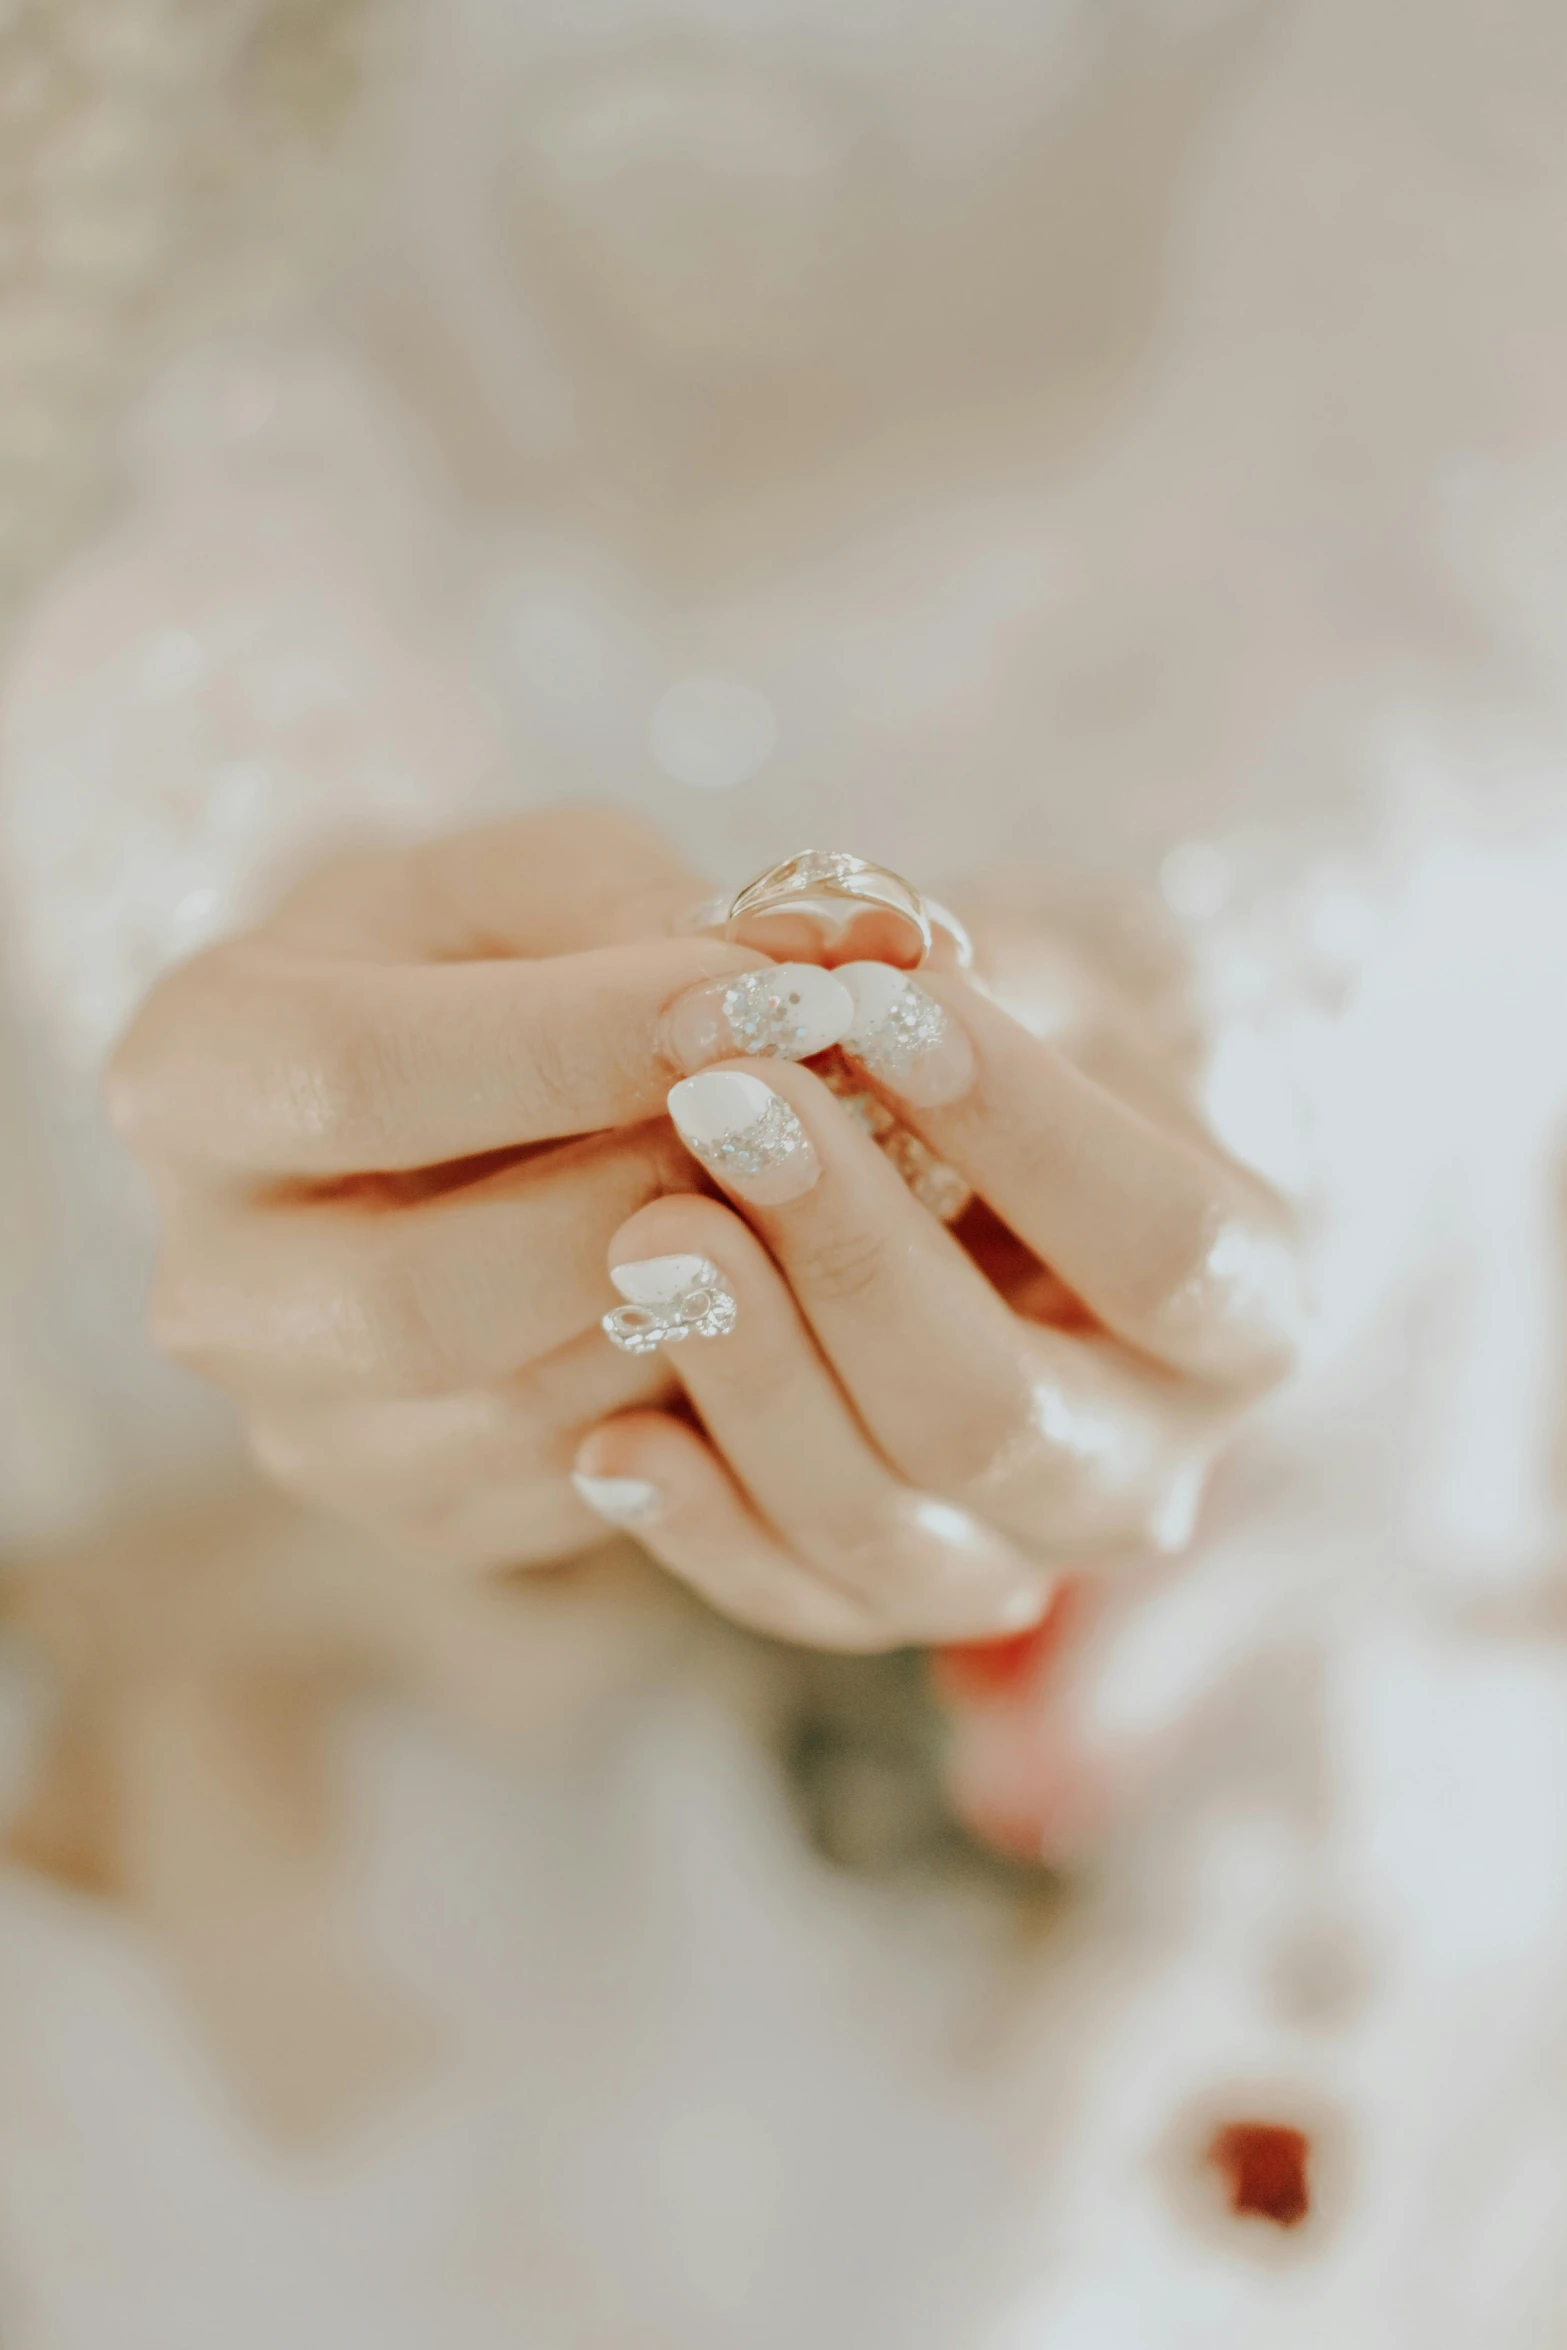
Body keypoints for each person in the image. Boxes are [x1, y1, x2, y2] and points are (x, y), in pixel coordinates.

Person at [3, 1, 1567, 2342]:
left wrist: (1218, 998)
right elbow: (99, 301)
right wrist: (248, 859)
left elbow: (1461, 377)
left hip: (1257, 959)